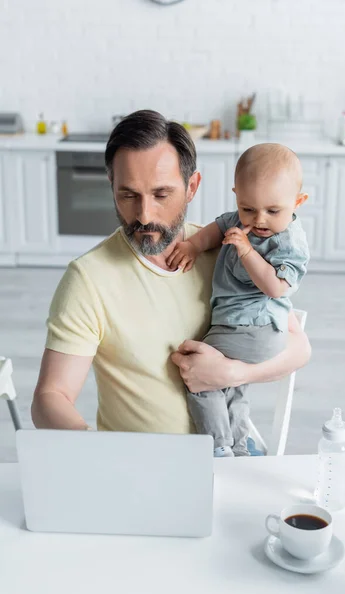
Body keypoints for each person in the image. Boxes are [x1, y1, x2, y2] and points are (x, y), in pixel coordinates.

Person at [31, 110, 311, 436]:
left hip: (231, 457)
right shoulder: (88, 279)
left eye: (161, 194)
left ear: (192, 187)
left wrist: (230, 373)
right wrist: (93, 447)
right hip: (141, 468)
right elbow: (51, 397)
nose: (145, 214)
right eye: (128, 194)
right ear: (112, 185)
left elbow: (299, 347)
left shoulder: (230, 251)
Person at [167, 143, 310, 457]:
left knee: (200, 375)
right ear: (237, 196)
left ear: (298, 202)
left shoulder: (289, 242)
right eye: (248, 208)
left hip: (253, 327)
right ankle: (240, 446)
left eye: (273, 211)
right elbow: (217, 229)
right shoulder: (240, 219)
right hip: (243, 327)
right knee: (232, 389)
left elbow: (276, 287)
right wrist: (192, 246)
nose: (259, 219)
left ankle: (217, 445)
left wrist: (246, 251)